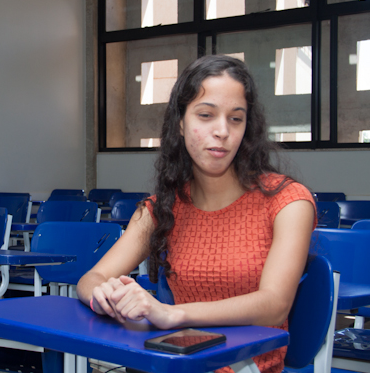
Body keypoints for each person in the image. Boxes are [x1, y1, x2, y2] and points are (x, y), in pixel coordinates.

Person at [77, 55, 316, 373]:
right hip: (182, 362)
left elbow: (274, 306)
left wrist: (175, 314)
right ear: (181, 121)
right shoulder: (161, 208)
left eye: (236, 119)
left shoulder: (287, 201)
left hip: (248, 365)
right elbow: (89, 279)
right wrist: (102, 294)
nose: (222, 132)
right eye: (206, 115)